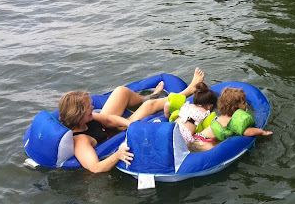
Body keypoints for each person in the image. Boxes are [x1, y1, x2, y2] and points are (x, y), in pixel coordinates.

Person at [58, 68, 207, 173]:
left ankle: (148, 96)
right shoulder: (80, 141)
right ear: (78, 115)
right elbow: (95, 168)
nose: (92, 107)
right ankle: (187, 91)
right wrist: (117, 155)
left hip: (112, 127)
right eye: (87, 107)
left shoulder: (86, 119)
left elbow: (109, 120)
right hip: (114, 136)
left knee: (121, 91)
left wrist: (129, 123)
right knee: (149, 107)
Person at [191, 86, 273, 152]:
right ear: (235, 109)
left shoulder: (224, 115)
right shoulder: (231, 120)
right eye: (243, 103)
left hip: (198, 137)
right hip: (203, 142)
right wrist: (262, 132)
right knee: (215, 153)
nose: (246, 104)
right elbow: (246, 132)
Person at [171, 81, 218, 146]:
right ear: (210, 107)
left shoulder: (187, 105)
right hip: (184, 135)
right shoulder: (205, 113)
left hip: (171, 127)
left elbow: (169, 106)